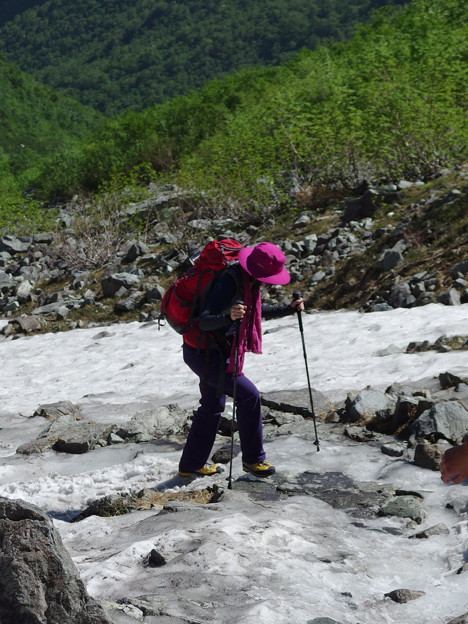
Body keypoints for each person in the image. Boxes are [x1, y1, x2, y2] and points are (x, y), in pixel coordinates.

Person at [178, 241, 304, 478]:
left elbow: (253, 312)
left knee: (212, 405)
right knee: (249, 395)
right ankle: (254, 460)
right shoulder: (229, 281)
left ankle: (190, 465)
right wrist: (228, 316)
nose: (269, 281)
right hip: (205, 353)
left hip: (210, 351)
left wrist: (288, 310)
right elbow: (204, 321)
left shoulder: (247, 281)